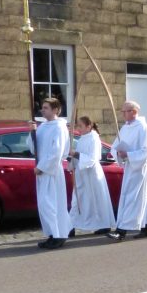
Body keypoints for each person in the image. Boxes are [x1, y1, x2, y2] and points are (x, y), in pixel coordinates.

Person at [109, 100, 147, 241]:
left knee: (132, 198)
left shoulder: (143, 128)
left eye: (125, 111)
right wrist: (118, 152)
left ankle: (121, 231)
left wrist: (129, 154)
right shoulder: (125, 128)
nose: (123, 114)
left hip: (139, 167)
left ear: (134, 112)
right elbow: (115, 145)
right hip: (130, 166)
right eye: (122, 111)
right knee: (138, 197)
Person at [32, 98, 71, 249]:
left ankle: (59, 234)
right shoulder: (43, 127)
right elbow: (33, 147)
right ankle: (51, 234)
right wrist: (32, 132)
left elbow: (57, 151)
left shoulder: (59, 127)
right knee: (44, 205)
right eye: (42, 107)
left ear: (55, 110)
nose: (42, 110)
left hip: (52, 170)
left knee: (51, 204)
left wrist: (42, 167)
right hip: (43, 171)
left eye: (46, 107)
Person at [68, 116, 116, 235]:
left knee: (96, 199)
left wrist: (75, 154)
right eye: (77, 125)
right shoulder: (82, 138)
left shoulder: (94, 138)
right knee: (77, 200)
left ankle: (103, 224)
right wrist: (72, 159)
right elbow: (78, 156)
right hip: (82, 174)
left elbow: (93, 158)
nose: (78, 128)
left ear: (89, 126)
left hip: (92, 174)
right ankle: (71, 225)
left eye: (80, 126)